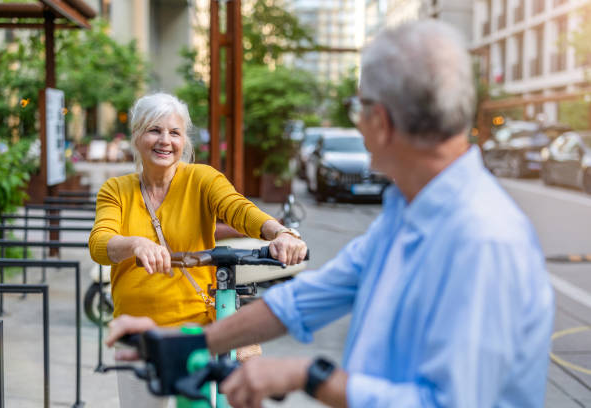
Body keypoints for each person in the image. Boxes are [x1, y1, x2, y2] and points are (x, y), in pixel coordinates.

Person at [107, 21, 554, 408]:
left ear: (381, 120)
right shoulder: (407, 214)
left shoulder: (482, 239)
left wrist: (307, 376)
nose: (356, 125)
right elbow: (311, 297)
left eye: (357, 109)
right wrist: (189, 344)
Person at [89, 92, 307, 408]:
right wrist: (136, 243)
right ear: (137, 136)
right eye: (154, 130)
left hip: (197, 333)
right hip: (139, 335)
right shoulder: (116, 190)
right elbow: (99, 243)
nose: (165, 140)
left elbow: (238, 209)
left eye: (174, 132)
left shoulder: (201, 179)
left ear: (184, 141)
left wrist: (281, 233)